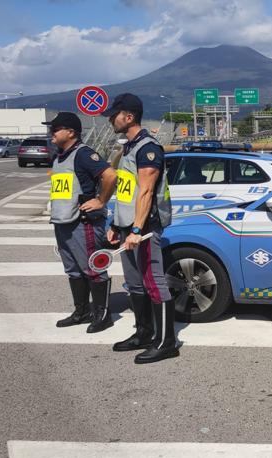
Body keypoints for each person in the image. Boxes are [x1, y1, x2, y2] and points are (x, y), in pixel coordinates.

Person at [103, 93, 179, 364]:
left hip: (144, 228)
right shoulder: (129, 147)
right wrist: (115, 223)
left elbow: (146, 192)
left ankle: (166, 341)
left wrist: (136, 229)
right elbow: (127, 191)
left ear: (129, 116)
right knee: (135, 284)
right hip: (126, 227)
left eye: (115, 114)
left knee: (154, 282)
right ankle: (144, 333)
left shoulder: (148, 148)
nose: (111, 118)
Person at [46, 112, 117, 333]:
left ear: (71, 132)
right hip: (62, 221)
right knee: (73, 270)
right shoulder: (59, 157)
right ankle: (82, 311)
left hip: (82, 223)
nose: (51, 134)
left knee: (92, 268)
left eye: (55, 129)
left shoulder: (83, 154)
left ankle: (102, 314)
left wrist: (100, 200)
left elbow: (110, 176)